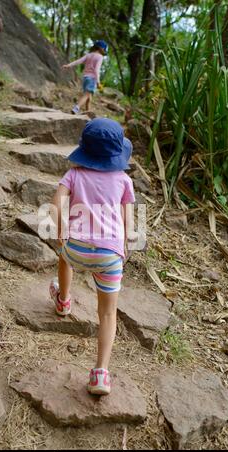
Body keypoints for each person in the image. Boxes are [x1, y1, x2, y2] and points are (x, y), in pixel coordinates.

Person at [49, 118, 135, 395]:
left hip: (76, 248)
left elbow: (55, 203)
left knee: (64, 257)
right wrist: (124, 247)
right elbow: (129, 224)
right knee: (108, 313)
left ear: (84, 150)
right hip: (109, 256)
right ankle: (100, 374)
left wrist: (62, 229)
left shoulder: (74, 174)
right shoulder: (123, 180)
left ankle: (63, 301)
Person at [62, 40, 108, 114]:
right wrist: (98, 82)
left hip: (85, 78)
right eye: (104, 50)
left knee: (89, 98)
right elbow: (97, 70)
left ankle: (88, 113)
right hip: (92, 79)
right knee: (86, 95)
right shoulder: (100, 57)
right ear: (101, 49)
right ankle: (76, 108)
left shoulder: (89, 55)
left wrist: (68, 65)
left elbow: (78, 61)